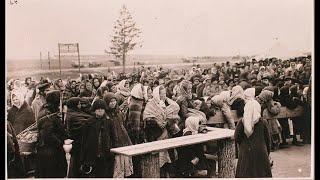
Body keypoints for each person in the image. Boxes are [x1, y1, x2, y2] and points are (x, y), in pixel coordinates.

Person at [143, 85, 180, 177]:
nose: (164, 95)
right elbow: (147, 117)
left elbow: (174, 115)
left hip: (167, 133)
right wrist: (157, 122)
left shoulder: (168, 103)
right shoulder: (151, 104)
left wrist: (167, 121)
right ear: (157, 94)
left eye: (164, 93)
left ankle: (169, 175)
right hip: (156, 134)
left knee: (169, 157)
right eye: (162, 94)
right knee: (159, 158)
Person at [234, 93, 272, 178]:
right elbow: (268, 140)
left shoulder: (242, 122)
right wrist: (267, 152)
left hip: (245, 152)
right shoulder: (263, 122)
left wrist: (243, 144)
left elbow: (236, 137)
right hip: (261, 152)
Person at [35, 90, 68, 178]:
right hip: (50, 153)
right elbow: (47, 134)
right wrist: (60, 142)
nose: (60, 101)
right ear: (55, 100)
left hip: (49, 151)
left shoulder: (48, 109)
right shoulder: (47, 113)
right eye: (59, 99)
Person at [79, 99, 116, 178]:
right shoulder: (88, 122)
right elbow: (84, 141)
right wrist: (83, 158)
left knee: (105, 174)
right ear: (94, 110)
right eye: (98, 109)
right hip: (92, 155)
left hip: (106, 155)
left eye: (102, 109)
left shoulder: (109, 122)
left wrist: (112, 151)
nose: (100, 111)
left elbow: (114, 138)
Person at [103, 93, 134, 178]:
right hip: (113, 142)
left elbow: (122, 126)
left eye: (114, 101)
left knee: (125, 164)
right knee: (116, 166)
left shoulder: (117, 112)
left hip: (123, 139)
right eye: (111, 101)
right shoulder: (105, 115)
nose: (113, 103)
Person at [65, 97, 93, 178]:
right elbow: (83, 125)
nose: (80, 106)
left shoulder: (74, 113)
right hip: (79, 144)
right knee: (78, 166)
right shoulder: (73, 116)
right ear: (75, 105)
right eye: (79, 104)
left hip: (79, 144)